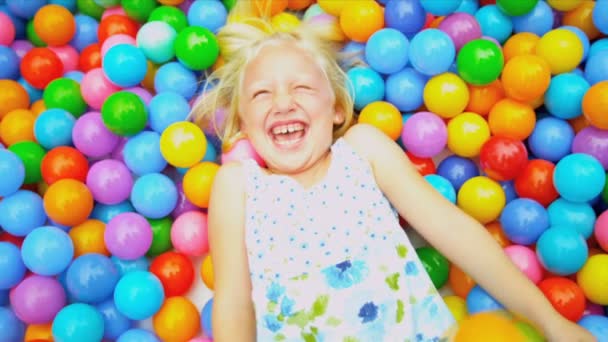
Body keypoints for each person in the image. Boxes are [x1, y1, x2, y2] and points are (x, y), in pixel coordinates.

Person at [191, 2, 596, 342]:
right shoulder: (240, 185)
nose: (282, 103)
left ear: (336, 109)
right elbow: (233, 300)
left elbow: (454, 231)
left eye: (302, 88)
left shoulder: (361, 151)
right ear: (242, 122)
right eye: (261, 94)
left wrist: (551, 323)